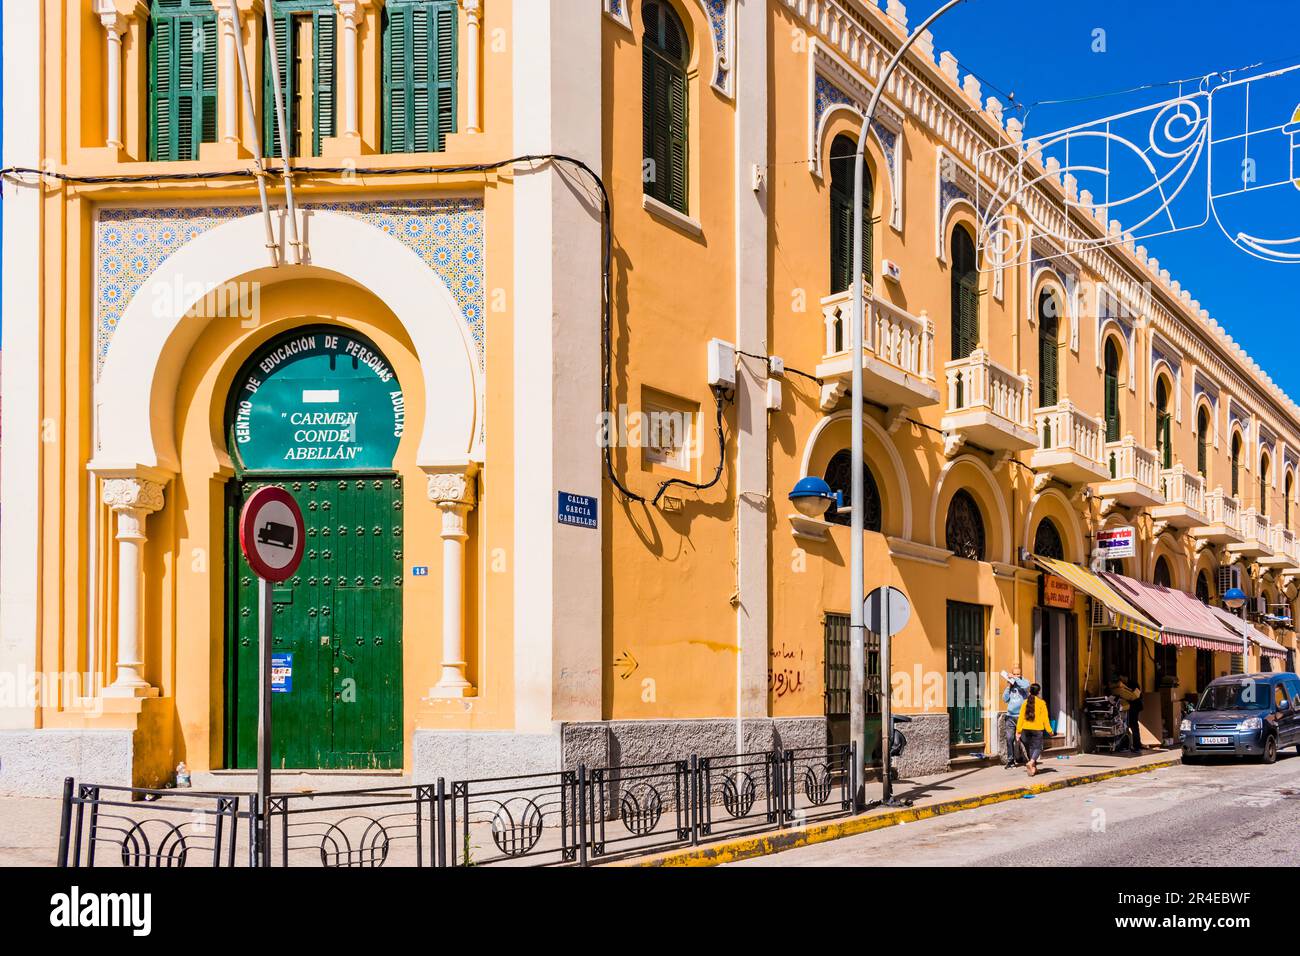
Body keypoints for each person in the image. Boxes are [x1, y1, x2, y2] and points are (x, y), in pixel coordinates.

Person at [1015, 682, 1054, 776]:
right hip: (1037, 729)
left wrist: (1018, 731)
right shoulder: (1041, 703)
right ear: (1038, 692)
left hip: (1025, 729)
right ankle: (1031, 762)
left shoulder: (1025, 703)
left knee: (1031, 748)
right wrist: (1050, 730)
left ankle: (1033, 769)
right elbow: (1045, 718)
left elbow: (1021, 717)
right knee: (1038, 748)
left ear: (1030, 691)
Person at [1000, 666, 1030, 769]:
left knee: (1024, 739)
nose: (1017, 675)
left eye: (1018, 674)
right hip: (1010, 717)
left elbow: (1026, 686)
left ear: (1021, 674)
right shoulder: (1011, 686)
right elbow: (1004, 699)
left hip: (1021, 717)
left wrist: (1015, 678)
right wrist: (1009, 686)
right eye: (1015, 674)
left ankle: (1031, 760)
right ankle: (1010, 761)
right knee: (1009, 739)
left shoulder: (1024, 682)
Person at [1109, 671, 1143, 754]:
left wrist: (1128, 691)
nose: (1120, 680)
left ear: (1125, 677)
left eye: (1121, 678)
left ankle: (1137, 746)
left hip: (1135, 707)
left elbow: (1136, 695)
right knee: (1126, 725)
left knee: (1134, 725)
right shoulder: (1121, 686)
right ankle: (1127, 745)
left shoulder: (1133, 684)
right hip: (1127, 707)